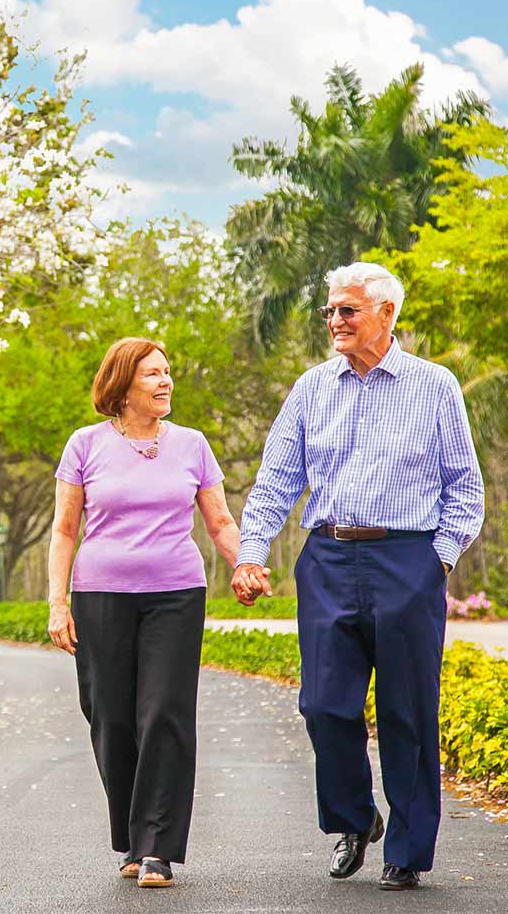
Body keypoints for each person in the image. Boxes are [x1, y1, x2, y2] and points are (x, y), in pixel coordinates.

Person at [232, 262, 484, 892]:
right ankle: (354, 817)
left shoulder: (435, 386)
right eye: (330, 312)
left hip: (408, 560)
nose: (335, 322)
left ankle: (409, 849)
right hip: (329, 559)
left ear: (386, 313)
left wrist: (439, 560)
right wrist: (251, 551)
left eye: (348, 310)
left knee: (408, 710)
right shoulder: (312, 388)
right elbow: (276, 482)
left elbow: (466, 489)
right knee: (322, 703)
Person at [48, 337, 258, 888]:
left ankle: (158, 848)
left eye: (168, 373)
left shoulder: (191, 445)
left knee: (164, 711)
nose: (166, 382)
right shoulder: (85, 445)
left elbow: (219, 522)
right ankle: (132, 838)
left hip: (176, 593)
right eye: (153, 374)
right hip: (100, 596)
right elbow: (65, 530)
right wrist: (56, 602)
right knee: (111, 718)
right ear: (122, 385)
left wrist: (245, 564)